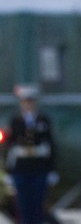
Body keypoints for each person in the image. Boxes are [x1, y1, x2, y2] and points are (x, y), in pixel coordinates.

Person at [4, 84, 57, 224]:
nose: (28, 104)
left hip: (39, 167)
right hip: (21, 168)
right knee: (23, 205)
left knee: (38, 204)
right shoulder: (16, 120)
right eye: (25, 101)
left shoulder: (43, 119)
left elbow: (50, 145)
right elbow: (9, 146)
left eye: (31, 101)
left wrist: (52, 170)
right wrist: (8, 171)